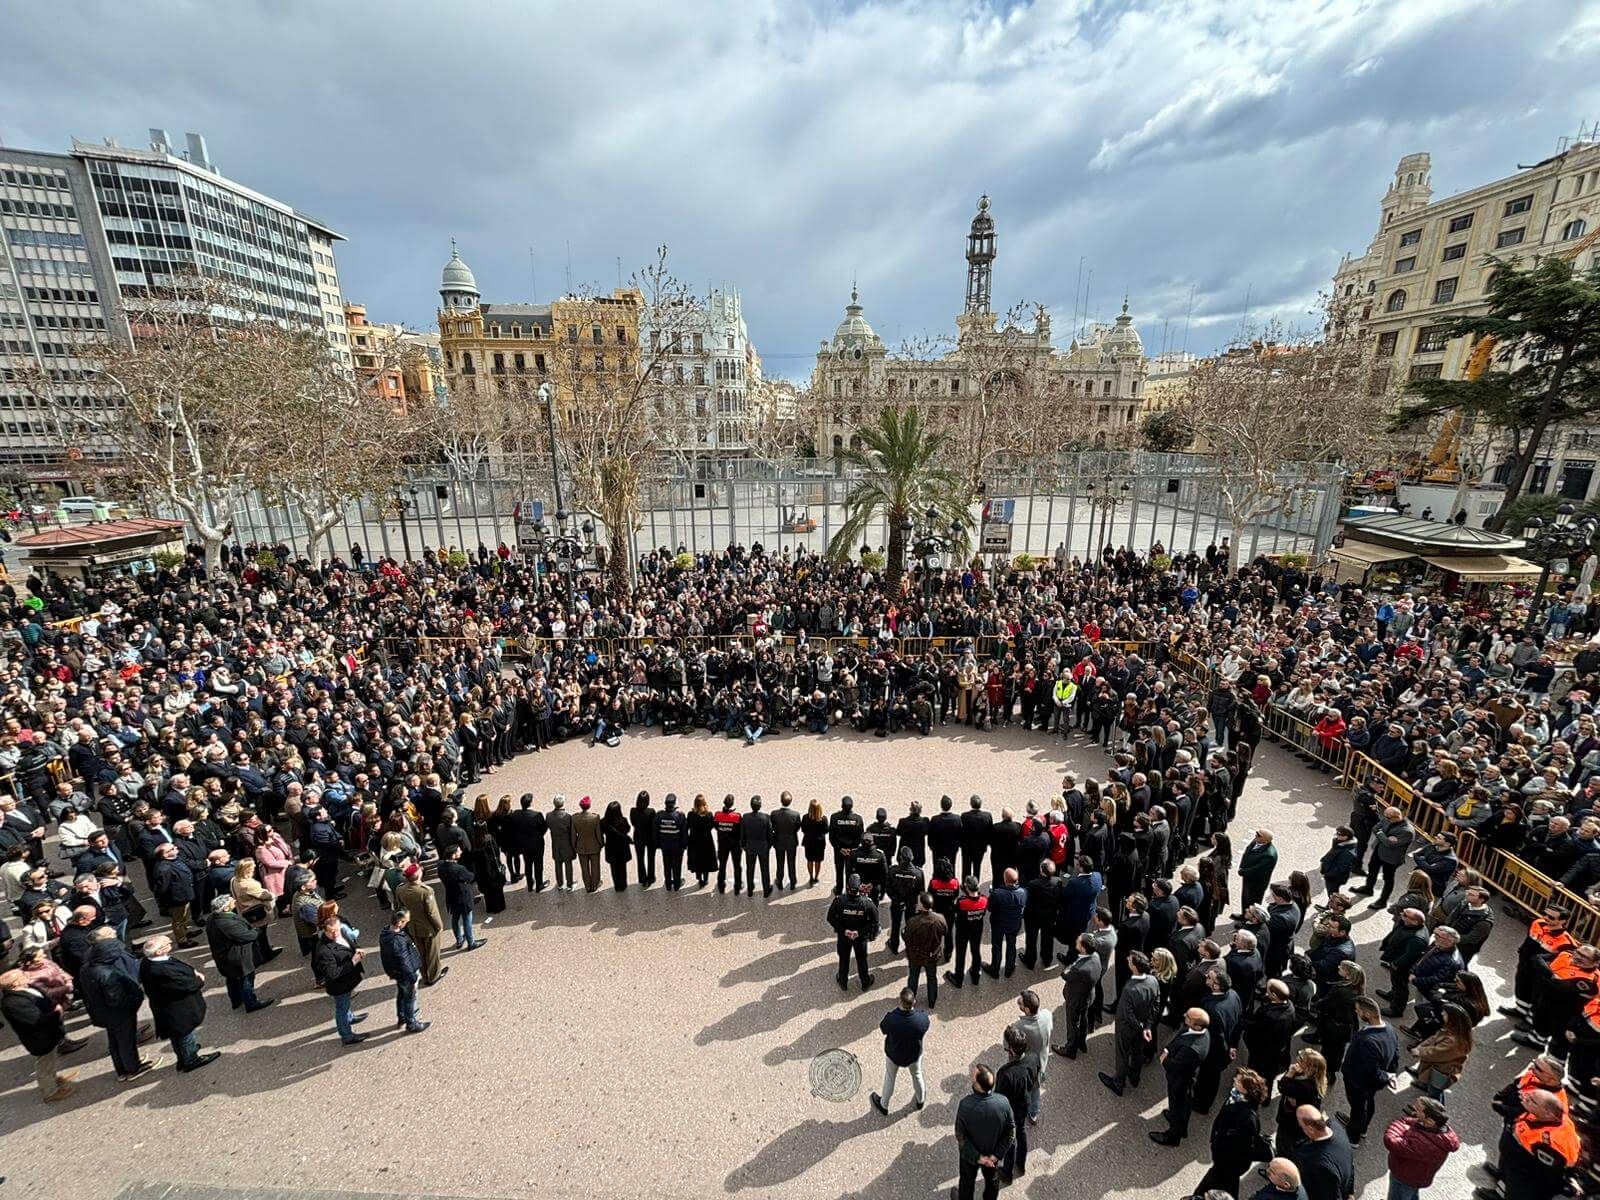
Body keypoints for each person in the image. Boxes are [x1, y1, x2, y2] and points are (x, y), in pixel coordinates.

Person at [80, 927, 162, 1080]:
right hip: (119, 1013)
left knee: (115, 1041)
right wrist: (136, 999)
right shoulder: (107, 973)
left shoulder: (88, 967)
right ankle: (132, 1069)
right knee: (126, 1041)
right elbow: (117, 998)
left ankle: (122, 1070)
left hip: (104, 1012)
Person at [1475, 1087, 1580, 1200]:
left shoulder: (1549, 1143)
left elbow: (1538, 1173)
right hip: (1514, 1167)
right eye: (1528, 1096)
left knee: (1519, 1189)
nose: (1525, 1098)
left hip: (1528, 1179)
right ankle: (1501, 1188)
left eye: (1532, 1100)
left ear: (1547, 1113)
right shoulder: (1547, 1115)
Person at [138, 932, 220, 1073]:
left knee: (176, 1035)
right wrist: (199, 979)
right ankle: (191, 1059)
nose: (170, 944)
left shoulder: (149, 962)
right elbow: (185, 985)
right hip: (177, 1009)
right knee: (185, 1034)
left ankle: (183, 1058)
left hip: (167, 1007)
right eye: (167, 944)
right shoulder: (162, 971)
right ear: (158, 951)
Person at [0, 966, 84, 1100]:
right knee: (44, 1063)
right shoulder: (13, 1002)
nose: (26, 977)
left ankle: (53, 1078)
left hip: (49, 1033)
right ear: (14, 983)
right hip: (40, 1038)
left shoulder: (24, 989)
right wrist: (56, 1013)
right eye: (22, 976)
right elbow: (35, 1020)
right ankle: (50, 1092)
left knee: (51, 1060)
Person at [1192, 1067, 1272, 1199]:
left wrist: (1219, 1150)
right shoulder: (1236, 1097)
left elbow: (1240, 1147)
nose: (1234, 1080)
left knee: (1208, 1189)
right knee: (1224, 1188)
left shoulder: (1247, 1117)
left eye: (1239, 1081)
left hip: (1228, 1164)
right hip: (1224, 1163)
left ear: (1246, 1089)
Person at [1338, 996, 1399, 1145]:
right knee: (1367, 1103)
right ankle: (1362, 1127)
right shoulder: (1389, 1029)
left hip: (1359, 1081)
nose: (1356, 1012)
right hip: (1370, 1083)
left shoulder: (1368, 1041)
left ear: (1368, 1014)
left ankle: (1353, 1136)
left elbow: (1372, 1070)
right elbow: (1395, 1055)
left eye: (1358, 1010)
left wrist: (1387, 1077)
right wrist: (1391, 1073)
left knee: (1359, 1107)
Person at [1101, 949, 1161, 1094]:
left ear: (1134, 967)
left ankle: (1118, 1083)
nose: (1127, 960)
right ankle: (1134, 1077)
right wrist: (1147, 1026)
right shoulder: (1153, 980)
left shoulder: (1129, 989)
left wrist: (1141, 1027)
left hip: (1127, 1027)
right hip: (1143, 1024)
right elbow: (1156, 1005)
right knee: (1137, 1052)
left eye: (1130, 960)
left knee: (1122, 1053)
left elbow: (1126, 1013)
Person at [1150, 1006, 1211, 1146]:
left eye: (1188, 1017)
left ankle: (1173, 1137)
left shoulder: (1192, 1049)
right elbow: (1181, 1036)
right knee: (1184, 1103)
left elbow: (1175, 1065)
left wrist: (1165, 1059)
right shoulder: (1202, 1032)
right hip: (1187, 1077)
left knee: (1177, 1105)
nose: (1184, 1015)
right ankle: (1181, 1126)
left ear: (1197, 1025)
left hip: (1180, 1081)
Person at [953, 1063, 1015, 1200]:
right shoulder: (1003, 1102)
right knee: (992, 1181)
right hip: (993, 1154)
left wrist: (979, 1158)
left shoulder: (965, 1105)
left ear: (978, 1085)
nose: (971, 1074)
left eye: (973, 1075)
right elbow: (1010, 1132)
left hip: (970, 1157)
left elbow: (960, 1136)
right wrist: (995, 1156)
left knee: (967, 1182)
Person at [204, 894, 273, 1013]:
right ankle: (251, 1002)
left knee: (232, 979)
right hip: (237, 957)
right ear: (225, 908)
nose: (234, 902)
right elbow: (249, 936)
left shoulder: (212, 919)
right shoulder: (228, 923)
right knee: (246, 979)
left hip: (224, 957)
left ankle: (236, 1001)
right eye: (231, 901)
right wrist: (256, 931)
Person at [1384, 1096, 1460, 1200]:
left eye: (1418, 1110)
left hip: (1404, 1177)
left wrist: (1401, 1122)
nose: (1414, 1110)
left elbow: (1391, 1141)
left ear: (1429, 1121)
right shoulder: (1440, 1132)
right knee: (1412, 1195)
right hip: (1417, 1177)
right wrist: (1416, 1120)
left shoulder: (1422, 1144)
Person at [870, 986, 929, 1117]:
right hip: (914, 1054)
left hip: (894, 1054)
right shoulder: (922, 1019)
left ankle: (884, 1105)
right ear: (914, 1002)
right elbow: (925, 1026)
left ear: (900, 1001)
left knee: (890, 1078)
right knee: (917, 1075)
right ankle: (920, 1100)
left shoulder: (892, 1019)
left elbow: (882, 1028)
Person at [310, 914, 368, 1046]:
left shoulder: (340, 931)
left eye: (337, 929)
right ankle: (346, 1036)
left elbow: (349, 942)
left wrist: (356, 948)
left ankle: (350, 1018)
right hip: (339, 985)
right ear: (325, 930)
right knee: (341, 1008)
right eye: (332, 931)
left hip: (347, 981)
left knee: (346, 1003)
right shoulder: (324, 950)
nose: (336, 933)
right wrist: (353, 961)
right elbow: (332, 973)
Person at [995, 1025, 1039, 1187]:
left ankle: (1007, 1173)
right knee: (1021, 1132)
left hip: (1010, 1112)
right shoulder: (1033, 1057)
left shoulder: (1005, 1073)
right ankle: (1021, 1164)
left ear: (1011, 1051)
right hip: (1024, 1104)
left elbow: (998, 1098)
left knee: (1009, 1141)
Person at [395, 863, 447, 986]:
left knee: (421, 953)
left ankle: (425, 975)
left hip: (413, 927)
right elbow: (432, 913)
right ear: (418, 874)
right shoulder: (425, 891)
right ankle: (434, 976)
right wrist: (439, 926)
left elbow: (399, 908)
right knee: (433, 953)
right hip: (428, 928)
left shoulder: (400, 889)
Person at [1242, 979, 1299, 1091]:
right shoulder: (1290, 1006)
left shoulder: (1269, 1016)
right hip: (1279, 1049)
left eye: (1267, 990)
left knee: (1257, 1072)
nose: (1265, 992)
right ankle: (1266, 1095)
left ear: (1274, 995)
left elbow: (1255, 1030)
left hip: (1263, 1051)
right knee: (1269, 1075)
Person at [379, 907, 429, 1034]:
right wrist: (413, 977)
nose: (407, 923)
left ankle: (401, 1016)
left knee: (401, 994)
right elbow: (404, 962)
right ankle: (411, 1023)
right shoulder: (398, 941)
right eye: (406, 921)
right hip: (406, 974)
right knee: (409, 997)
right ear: (399, 922)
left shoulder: (385, 932)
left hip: (396, 972)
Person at [1054, 932, 1103, 1059]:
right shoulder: (1096, 956)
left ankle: (1070, 1049)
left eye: (1079, 941)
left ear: (1083, 948)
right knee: (1084, 1018)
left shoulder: (1079, 969)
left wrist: (1068, 968)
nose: (1076, 941)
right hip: (1088, 995)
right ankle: (1082, 1041)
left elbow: (1065, 975)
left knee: (1072, 1023)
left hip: (1076, 998)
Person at [826, 872, 878, 990]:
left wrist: (844, 931)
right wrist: (858, 932)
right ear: (859, 887)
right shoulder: (867, 903)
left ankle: (843, 981)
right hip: (860, 938)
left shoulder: (839, 901)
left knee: (844, 959)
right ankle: (865, 982)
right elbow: (874, 922)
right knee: (861, 960)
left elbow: (830, 918)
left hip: (844, 937)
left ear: (847, 887)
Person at [1291, 1106, 1355, 1200]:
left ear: (1311, 1129)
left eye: (1301, 1126)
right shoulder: (1336, 1127)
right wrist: (1350, 1193)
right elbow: (1350, 1165)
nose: (1300, 1128)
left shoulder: (1320, 1165)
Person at [1274, 1050, 1328, 1158]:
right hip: (1301, 1122)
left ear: (1310, 1067)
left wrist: (1290, 1072)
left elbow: (1283, 1087)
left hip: (1291, 1122)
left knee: (1284, 1144)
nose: (1297, 1060)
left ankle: (1282, 1165)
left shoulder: (1304, 1086)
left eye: (1301, 1059)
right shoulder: (1316, 1080)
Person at [905, 891, 947, 1009]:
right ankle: (932, 1002)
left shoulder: (913, 921)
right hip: (932, 955)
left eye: (918, 902)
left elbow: (906, 937)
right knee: (932, 977)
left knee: (913, 977)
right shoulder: (940, 919)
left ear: (922, 906)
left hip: (915, 955)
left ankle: (910, 1000)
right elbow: (945, 932)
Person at [438, 845, 485, 951]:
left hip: (451, 895)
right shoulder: (459, 869)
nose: (461, 852)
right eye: (459, 851)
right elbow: (470, 877)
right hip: (463, 896)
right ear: (454, 854)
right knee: (467, 919)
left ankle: (459, 940)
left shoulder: (441, 866)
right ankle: (471, 942)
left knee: (455, 918)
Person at [945, 875, 988, 989]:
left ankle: (958, 978)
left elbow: (954, 909)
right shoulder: (984, 900)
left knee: (961, 954)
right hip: (977, 930)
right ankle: (975, 975)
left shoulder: (962, 902)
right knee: (976, 951)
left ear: (967, 888)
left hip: (963, 931)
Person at [986, 867, 1026, 978]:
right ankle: (1009, 969)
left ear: (1005, 879)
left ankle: (995, 969)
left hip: (998, 924)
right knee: (1011, 945)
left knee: (997, 946)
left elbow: (990, 908)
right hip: (1014, 924)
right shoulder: (1023, 893)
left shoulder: (997, 893)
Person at [507, 793, 548, 892]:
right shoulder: (537, 815)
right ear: (530, 803)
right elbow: (543, 828)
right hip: (537, 844)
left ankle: (530, 884)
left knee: (528, 864)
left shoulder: (516, 814)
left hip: (523, 844)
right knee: (538, 865)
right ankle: (539, 884)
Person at [829, 795, 864, 894]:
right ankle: (850, 890)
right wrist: (853, 849)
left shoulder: (834, 817)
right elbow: (860, 836)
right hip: (852, 851)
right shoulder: (858, 819)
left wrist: (840, 848)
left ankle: (839, 889)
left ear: (841, 805)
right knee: (850, 871)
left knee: (839, 870)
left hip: (839, 850)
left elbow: (832, 836)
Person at [1237, 830, 1278, 914]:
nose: (1256, 836)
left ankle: (1249, 921)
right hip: (1248, 878)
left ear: (1265, 840)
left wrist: (1242, 872)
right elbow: (1246, 853)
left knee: (1252, 902)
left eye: (1259, 835)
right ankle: (1244, 915)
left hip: (1256, 884)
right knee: (1245, 899)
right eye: (1256, 834)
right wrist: (1242, 867)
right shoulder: (1255, 841)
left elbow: (1257, 870)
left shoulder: (1269, 855)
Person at [741, 795, 773, 897]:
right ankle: (766, 890)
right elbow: (770, 834)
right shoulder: (766, 817)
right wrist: (769, 845)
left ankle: (750, 890)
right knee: (765, 870)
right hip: (763, 847)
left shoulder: (745, 817)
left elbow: (742, 834)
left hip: (750, 847)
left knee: (750, 869)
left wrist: (744, 846)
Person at [654, 795, 687, 892]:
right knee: (677, 865)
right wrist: (684, 845)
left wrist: (657, 844)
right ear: (674, 804)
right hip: (677, 846)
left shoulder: (659, 815)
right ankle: (677, 884)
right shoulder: (679, 816)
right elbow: (684, 832)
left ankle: (668, 884)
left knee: (667, 865)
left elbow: (655, 831)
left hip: (665, 846)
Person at [771, 792, 802, 890]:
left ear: (781, 801)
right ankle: (792, 881)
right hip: (791, 841)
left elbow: (772, 827)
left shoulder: (774, 814)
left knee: (780, 863)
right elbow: (797, 827)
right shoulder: (795, 814)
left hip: (779, 841)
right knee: (791, 862)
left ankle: (779, 881)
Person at [573, 795, 604, 893]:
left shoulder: (574, 818)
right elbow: (598, 834)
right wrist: (601, 843)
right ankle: (595, 885)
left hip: (581, 846)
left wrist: (575, 846)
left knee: (584, 868)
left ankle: (587, 886)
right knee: (595, 866)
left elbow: (573, 835)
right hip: (594, 845)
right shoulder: (595, 817)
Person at [601, 800, 633, 892]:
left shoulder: (603, 822)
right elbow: (628, 829)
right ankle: (623, 885)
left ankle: (617, 886)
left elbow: (601, 832)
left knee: (614, 869)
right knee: (622, 868)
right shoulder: (623, 821)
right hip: (622, 848)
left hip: (611, 848)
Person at [548, 795, 577, 891]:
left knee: (558, 864)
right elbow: (572, 833)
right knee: (568, 865)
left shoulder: (549, 816)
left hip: (555, 844)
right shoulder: (568, 817)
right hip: (566, 844)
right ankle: (569, 884)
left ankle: (560, 884)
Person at [629, 790, 657, 888]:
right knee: (651, 858)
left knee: (640, 859)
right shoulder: (651, 811)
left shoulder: (633, 811)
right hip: (650, 837)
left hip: (638, 837)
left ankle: (643, 878)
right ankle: (651, 877)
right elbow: (654, 825)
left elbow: (633, 823)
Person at [800, 798, 829, 888]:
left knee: (809, 860)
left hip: (808, 842)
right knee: (818, 861)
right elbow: (826, 830)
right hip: (819, 843)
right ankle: (816, 877)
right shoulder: (823, 819)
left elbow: (803, 829)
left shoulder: (805, 817)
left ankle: (811, 877)